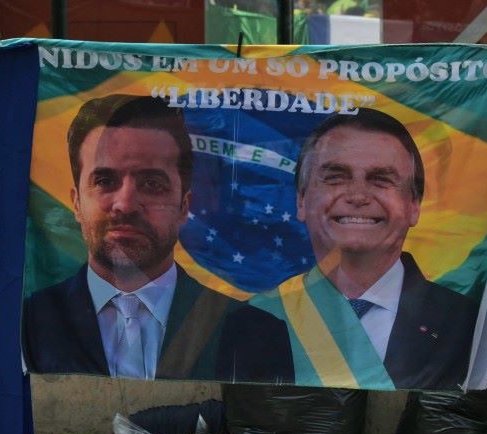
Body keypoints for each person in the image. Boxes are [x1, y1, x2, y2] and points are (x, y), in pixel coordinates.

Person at [22, 94, 294, 383]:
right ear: (76, 203)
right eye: (104, 181)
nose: (125, 204)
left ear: (184, 207)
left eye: (152, 184)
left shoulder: (255, 335)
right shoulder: (23, 325)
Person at [280, 107, 479, 390]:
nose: (358, 196)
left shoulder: (466, 324)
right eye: (336, 176)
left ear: (414, 206)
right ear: (301, 200)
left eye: (381, 179)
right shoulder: (255, 321)